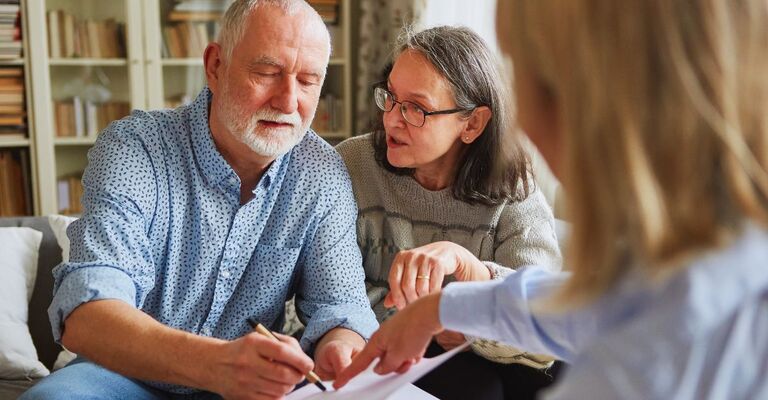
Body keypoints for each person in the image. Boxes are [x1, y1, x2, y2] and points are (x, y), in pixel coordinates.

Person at [335, 0, 768, 399]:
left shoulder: (639, 366)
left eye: (531, 80)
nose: (522, 120)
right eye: (390, 98)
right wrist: (446, 306)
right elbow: (590, 304)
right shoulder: (712, 260)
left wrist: (455, 310)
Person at [21, 1, 377, 399]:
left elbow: (341, 307)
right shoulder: (136, 148)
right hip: (123, 375)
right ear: (215, 66)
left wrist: (340, 348)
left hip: (249, 387)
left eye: (308, 81)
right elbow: (87, 314)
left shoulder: (322, 173)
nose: (288, 101)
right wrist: (216, 364)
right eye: (266, 72)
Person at [335, 26, 562, 400]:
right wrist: (434, 317)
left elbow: (543, 323)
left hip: (486, 359)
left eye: (416, 108)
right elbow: (331, 296)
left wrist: (471, 292)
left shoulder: (512, 181)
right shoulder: (351, 165)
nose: (391, 119)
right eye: (390, 97)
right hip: (382, 352)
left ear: (472, 124)